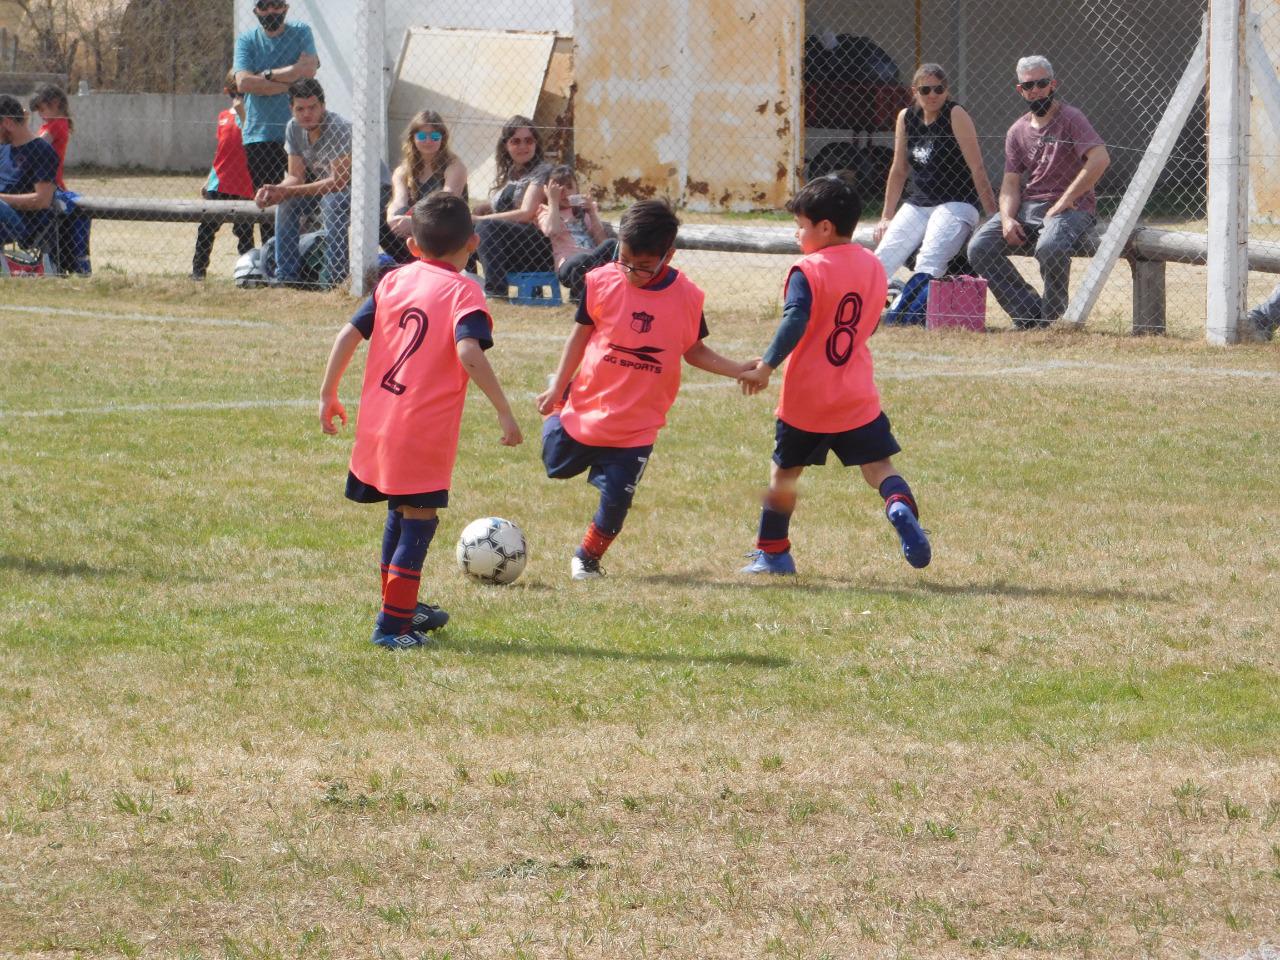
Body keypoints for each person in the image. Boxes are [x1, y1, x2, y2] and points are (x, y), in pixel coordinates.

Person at [319, 191, 523, 649]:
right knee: (419, 519)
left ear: (412, 245)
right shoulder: (465, 290)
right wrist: (504, 410)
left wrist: (328, 392)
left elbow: (348, 333)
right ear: (473, 243)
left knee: (399, 509)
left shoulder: (394, 279)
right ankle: (392, 628)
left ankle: (400, 606)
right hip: (421, 430)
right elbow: (468, 350)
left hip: (379, 422)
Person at [534, 199, 755, 580]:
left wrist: (737, 369)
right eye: (625, 259)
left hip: (637, 426)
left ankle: (587, 558)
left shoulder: (686, 296)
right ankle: (563, 418)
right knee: (554, 466)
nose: (632, 272)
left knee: (619, 498)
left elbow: (695, 350)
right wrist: (558, 384)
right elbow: (579, 336)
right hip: (586, 408)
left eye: (644, 265)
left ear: (669, 254)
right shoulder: (601, 280)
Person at [737, 173, 931, 575]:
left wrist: (768, 365)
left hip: (807, 398)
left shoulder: (807, 269)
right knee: (879, 469)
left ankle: (773, 553)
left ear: (824, 228)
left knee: (785, 472)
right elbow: (870, 324)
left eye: (801, 226)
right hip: (855, 394)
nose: (796, 235)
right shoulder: (874, 267)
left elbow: (795, 320)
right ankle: (898, 505)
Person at [966, 56, 1109, 328]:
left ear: (1053, 85)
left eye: (1041, 83)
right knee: (979, 247)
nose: (1035, 90)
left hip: (1072, 210)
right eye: (1028, 85)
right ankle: (1029, 314)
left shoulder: (1071, 119)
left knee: (1050, 246)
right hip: (1029, 207)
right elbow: (1010, 183)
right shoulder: (1016, 131)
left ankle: (1053, 321)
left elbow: (1100, 159)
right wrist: (1007, 218)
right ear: (1020, 90)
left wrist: (1066, 200)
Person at [255, 78, 390, 289]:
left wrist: (285, 190)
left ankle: (336, 281)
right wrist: (274, 192)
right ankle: (287, 278)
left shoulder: (339, 128)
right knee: (288, 204)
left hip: (373, 188)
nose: (307, 114)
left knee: (332, 202)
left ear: (323, 106)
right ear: (291, 109)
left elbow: (338, 182)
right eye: (300, 109)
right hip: (331, 189)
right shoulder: (293, 128)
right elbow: (295, 177)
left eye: (312, 107)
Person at [873, 64, 996, 286]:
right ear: (914, 91)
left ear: (946, 90)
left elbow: (977, 168)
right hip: (918, 203)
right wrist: (886, 216)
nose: (932, 95)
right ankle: (881, 301)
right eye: (925, 90)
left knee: (928, 261)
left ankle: (915, 310)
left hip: (956, 203)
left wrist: (992, 215)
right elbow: (899, 169)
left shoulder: (955, 114)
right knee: (882, 259)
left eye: (939, 89)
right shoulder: (906, 117)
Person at [233, 0, 318, 244]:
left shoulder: (301, 31)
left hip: (302, 130)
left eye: (276, 5)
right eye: (264, 6)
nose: (271, 11)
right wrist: (292, 81)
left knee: (310, 195)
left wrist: (267, 75)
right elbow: (244, 83)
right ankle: (271, 255)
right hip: (260, 133)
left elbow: (309, 69)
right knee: (266, 198)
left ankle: (307, 251)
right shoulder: (247, 40)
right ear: (256, 11)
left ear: (286, 8)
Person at [474, 115, 555, 297]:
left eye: (528, 141)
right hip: (507, 245)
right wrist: (482, 208)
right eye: (515, 141)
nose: (523, 147)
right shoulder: (510, 172)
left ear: (536, 143)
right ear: (506, 145)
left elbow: (526, 212)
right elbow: (508, 203)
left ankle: (496, 292)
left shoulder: (542, 171)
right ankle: (469, 280)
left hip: (537, 246)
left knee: (485, 226)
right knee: (463, 227)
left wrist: (480, 219)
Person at [191, 72, 257, 280]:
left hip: (244, 185)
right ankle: (198, 272)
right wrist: (209, 178)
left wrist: (244, 114)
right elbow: (222, 153)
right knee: (207, 229)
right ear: (228, 92)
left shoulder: (254, 118)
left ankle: (248, 272)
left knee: (244, 233)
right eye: (236, 93)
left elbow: (253, 141)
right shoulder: (223, 117)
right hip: (219, 184)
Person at [385, 110, 468, 265]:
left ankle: (423, 263)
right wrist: (393, 219)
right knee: (383, 215)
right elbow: (398, 200)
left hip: (443, 228)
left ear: (442, 139)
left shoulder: (454, 166)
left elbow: (445, 203)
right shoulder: (403, 170)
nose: (428, 141)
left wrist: (414, 222)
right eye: (422, 136)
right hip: (412, 231)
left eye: (435, 136)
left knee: (441, 215)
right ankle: (405, 264)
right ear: (413, 138)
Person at [537, 164, 616, 301]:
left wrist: (591, 213)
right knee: (582, 259)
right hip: (569, 264)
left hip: (594, 259)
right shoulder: (546, 211)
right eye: (558, 188)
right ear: (549, 191)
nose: (565, 192)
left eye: (569, 187)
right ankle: (578, 298)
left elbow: (601, 241)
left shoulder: (584, 210)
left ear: (577, 189)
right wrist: (553, 202)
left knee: (612, 244)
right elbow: (551, 230)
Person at [0, 95, 58, 253]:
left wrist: (1, 199)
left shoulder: (42, 151)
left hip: (20, 222)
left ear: (7, 123)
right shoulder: (3, 150)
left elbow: (42, 200)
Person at [28, 84, 71, 190]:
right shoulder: (51, 124)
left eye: (42, 109)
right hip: (45, 177)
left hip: (49, 180)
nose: (40, 114)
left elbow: (37, 146)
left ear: (55, 103)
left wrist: (22, 126)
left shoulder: (57, 124)